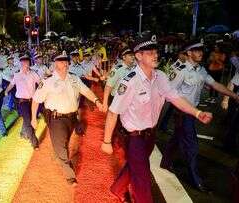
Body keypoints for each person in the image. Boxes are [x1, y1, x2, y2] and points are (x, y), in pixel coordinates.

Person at [101, 35, 213, 203]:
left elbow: (175, 98)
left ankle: (117, 188)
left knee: (136, 167)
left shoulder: (160, 76)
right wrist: (106, 141)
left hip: (150, 135)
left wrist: (197, 113)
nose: (155, 55)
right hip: (133, 138)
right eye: (150, 52)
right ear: (138, 56)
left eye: (156, 51)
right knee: (143, 179)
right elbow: (113, 112)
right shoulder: (130, 80)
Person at [160, 39, 239, 193]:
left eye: (201, 50)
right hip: (182, 112)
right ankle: (195, 180)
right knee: (192, 146)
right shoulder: (180, 70)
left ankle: (165, 162)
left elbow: (215, 84)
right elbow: (169, 92)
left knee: (177, 137)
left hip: (192, 112)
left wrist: (234, 96)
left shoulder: (200, 70)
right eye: (196, 50)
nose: (200, 53)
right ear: (189, 53)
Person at [31, 51, 104, 186]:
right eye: (61, 61)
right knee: (61, 147)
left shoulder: (74, 78)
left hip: (72, 118)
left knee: (65, 143)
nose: (65, 63)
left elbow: (86, 91)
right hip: (56, 119)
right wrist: (33, 119)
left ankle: (61, 154)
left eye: (66, 61)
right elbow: (36, 100)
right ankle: (70, 175)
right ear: (55, 64)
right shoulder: (48, 81)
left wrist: (97, 101)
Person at [5, 54, 40, 149]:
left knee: (32, 118)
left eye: (27, 61)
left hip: (33, 101)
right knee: (28, 121)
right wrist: (6, 91)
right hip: (22, 102)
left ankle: (23, 133)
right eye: (23, 62)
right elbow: (11, 84)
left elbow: (40, 83)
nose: (25, 63)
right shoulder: (17, 75)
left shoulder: (34, 73)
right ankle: (34, 142)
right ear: (20, 63)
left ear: (29, 63)